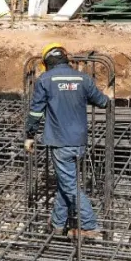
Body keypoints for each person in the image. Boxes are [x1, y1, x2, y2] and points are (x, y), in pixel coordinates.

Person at [24, 43, 110, 238]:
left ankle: (89, 225)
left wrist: (30, 135)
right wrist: (107, 95)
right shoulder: (83, 78)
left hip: (60, 141)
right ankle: (57, 223)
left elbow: (36, 111)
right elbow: (103, 102)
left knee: (70, 186)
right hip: (79, 141)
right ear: (66, 60)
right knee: (66, 182)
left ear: (47, 64)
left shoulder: (45, 80)